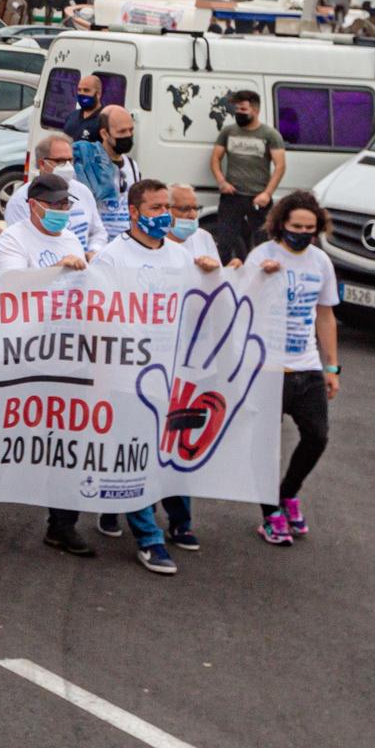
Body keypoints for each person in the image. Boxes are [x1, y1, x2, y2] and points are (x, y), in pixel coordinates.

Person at [91, 178, 220, 568]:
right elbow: (98, 319)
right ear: (133, 213)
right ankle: (149, 537)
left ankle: (176, 520)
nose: (164, 216)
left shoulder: (180, 258)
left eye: (168, 208)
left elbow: (199, 310)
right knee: (136, 456)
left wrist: (219, 274)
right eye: (155, 209)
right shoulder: (112, 259)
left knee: (170, 452)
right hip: (128, 379)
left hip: (172, 377)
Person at [0, 173, 98, 558]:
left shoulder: (70, 237)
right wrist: (57, 271)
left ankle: (63, 525)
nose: (63, 211)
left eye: (66, 204)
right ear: (35, 205)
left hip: (68, 351)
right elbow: (11, 285)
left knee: (70, 439)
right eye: (55, 205)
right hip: (23, 353)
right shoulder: (14, 238)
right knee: (2, 433)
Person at [248, 192, 340, 547]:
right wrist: (259, 278)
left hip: (307, 368)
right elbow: (240, 302)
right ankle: (269, 513)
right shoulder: (264, 256)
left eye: (310, 228)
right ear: (282, 224)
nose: (302, 232)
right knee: (265, 446)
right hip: (268, 369)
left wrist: (332, 367)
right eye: (296, 226)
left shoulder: (320, 262)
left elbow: (326, 314)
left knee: (317, 437)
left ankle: (288, 493)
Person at [210, 89, 286, 264]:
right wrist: (221, 182)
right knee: (225, 243)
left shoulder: (270, 135)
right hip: (232, 196)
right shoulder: (228, 132)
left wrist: (267, 193)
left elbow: (280, 166)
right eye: (237, 109)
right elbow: (215, 158)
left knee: (264, 244)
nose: (238, 113)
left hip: (258, 198)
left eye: (243, 109)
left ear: (255, 110)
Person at [2, 133, 108, 255]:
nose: (67, 166)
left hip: (83, 268)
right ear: (42, 164)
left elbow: (98, 231)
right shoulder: (20, 201)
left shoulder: (83, 191)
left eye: (70, 160)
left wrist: (94, 250)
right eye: (60, 161)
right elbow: (21, 244)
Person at [75, 105, 140, 239]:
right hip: (96, 243)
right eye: (122, 132)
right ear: (104, 133)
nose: (128, 135)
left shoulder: (132, 165)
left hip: (124, 243)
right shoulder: (88, 163)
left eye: (131, 130)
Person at [166, 184, 225, 266]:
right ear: (167, 209)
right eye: (185, 209)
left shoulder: (204, 237)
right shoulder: (155, 242)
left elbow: (219, 275)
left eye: (196, 208)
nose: (193, 215)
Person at [63, 74, 104, 142]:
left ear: (98, 94)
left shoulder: (104, 120)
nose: (82, 93)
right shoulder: (72, 116)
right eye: (79, 90)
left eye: (86, 90)